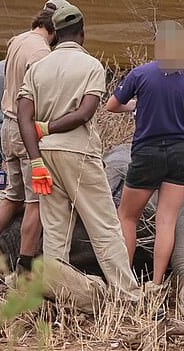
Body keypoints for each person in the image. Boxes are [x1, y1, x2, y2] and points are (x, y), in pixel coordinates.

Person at [16, 4, 142, 304]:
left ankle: (58, 297)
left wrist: (35, 160)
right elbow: (84, 113)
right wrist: (48, 128)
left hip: (44, 158)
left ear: (55, 34)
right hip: (78, 153)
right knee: (104, 226)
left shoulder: (37, 68)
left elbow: (23, 118)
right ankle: (128, 297)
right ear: (82, 33)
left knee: (56, 230)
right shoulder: (91, 66)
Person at [105, 20, 184, 289]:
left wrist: (137, 107)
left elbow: (111, 106)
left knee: (127, 216)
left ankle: (124, 283)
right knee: (166, 219)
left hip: (147, 153)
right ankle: (156, 282)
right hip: (182, 154)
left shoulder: (140, 75)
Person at [0, 1, 68, 281]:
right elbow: (42, 96)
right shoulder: (40, 52)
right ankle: (24, 267)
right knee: (35, 201)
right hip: (25, 131)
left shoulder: (18, 40)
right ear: (54, 29)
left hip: (7, 128)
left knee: (11, 196)